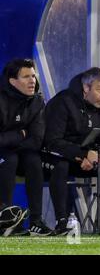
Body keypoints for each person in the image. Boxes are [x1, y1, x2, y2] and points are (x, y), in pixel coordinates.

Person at [43, 67, 100, 236]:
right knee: (61, 165)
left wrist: (98, 155)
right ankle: (62, 223)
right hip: (56, 158)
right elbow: (52, 142)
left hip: (87, 159)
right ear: (86, 88)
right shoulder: (63, 102)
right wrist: (81, 155)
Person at [0, 58, 52, 236]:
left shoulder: (37, 101)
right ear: (13, 81)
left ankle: (36, 221)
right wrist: (19, 134)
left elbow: (36, 139)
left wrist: (12, 141)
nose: (32, 81)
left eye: (33, 76)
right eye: (26, 77)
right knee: (8, 160)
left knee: (33, 160)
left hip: (22, 151)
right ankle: (5, 220)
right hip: (4, 155)